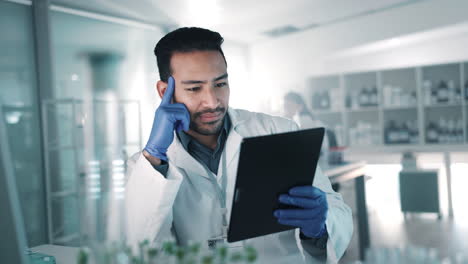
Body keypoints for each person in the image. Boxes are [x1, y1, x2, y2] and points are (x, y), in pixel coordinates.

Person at [122, 27, 352, 263]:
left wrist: (319, 227)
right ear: (164, 92)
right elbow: (142, 250)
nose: (212, 102)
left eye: (220, 84)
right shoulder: (146, 168)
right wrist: (154, 157)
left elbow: (339, 213)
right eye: (194, 88)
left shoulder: (278, 131)